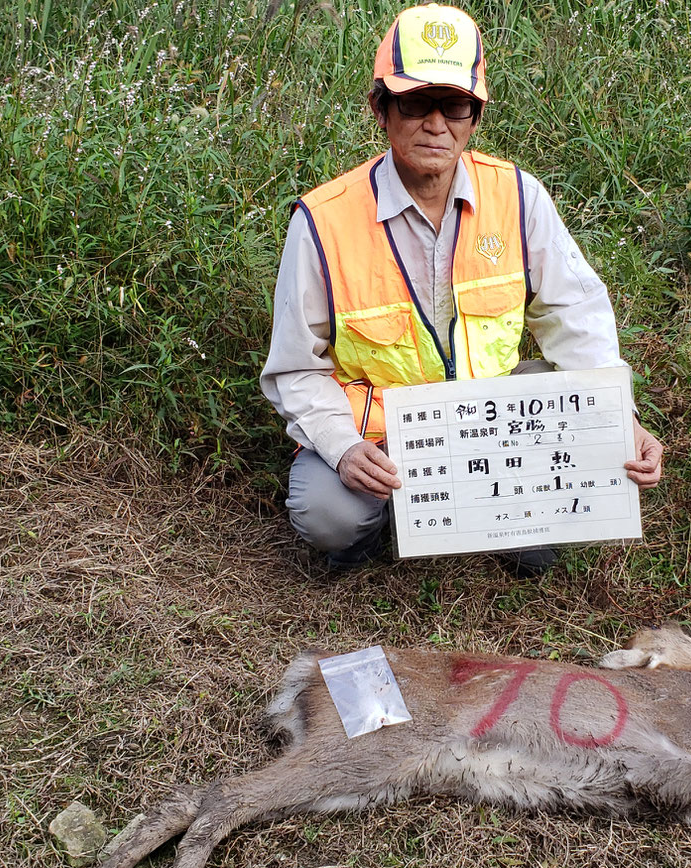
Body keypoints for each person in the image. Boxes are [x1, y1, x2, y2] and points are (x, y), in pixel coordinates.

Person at [261, 3, 665, 573]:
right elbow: (296, 369)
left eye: (454, 105)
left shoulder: (520, 198)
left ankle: (506, 519)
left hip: (488, 426)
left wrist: (619, 418)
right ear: (381, 110)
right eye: (415, 103)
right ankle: (380, 524)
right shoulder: (322, 221)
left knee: (581, 423)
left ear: (475, 117)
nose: (435, 124)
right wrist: (344, 448)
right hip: (378, 435)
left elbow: (575, 317)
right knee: (328, 513)